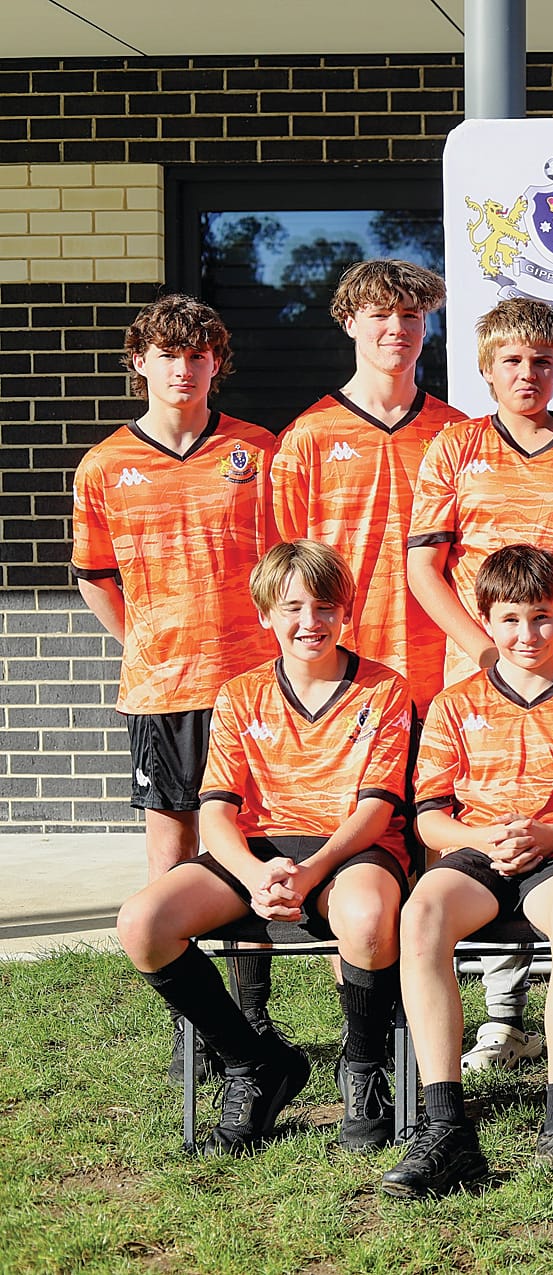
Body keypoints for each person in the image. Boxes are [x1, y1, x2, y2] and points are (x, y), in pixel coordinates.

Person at [115, 540, 412, 1154]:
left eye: (325, 606)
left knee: (367, 916)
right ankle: (253, 1063)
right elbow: (217, 810)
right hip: (261, 848)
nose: (311, 622)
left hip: (350, 848)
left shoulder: (386, 690)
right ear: (265, 615)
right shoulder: (240, 693)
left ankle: (362, 1070)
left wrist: (311, 872)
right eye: (293, 607)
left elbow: (375, 809)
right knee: (143, 923)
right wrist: (253, 875)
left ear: (346, 611)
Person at [406, 297, 553, 1074]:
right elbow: (423, 566)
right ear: (486, 368)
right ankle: (503, 1019)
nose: (527, 373)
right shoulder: (455, 447)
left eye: (541, 359)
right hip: (485, 673)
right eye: (511, 360)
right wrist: (483, 652)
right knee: (495, 820)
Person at [381, 545, 553, 1197]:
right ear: (486, 620)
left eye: (543, 618)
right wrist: (482, 838)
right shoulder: (453, 702)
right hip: (480, 847)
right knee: (422, 912)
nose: (528, 635)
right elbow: (430, 816)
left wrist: (552, 833)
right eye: (512, 619)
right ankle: (445, 1128)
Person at [72, 294, 279, 1081]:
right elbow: (95, 577)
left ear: (216, 364)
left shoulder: (258, 450)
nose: (181, 369)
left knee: (251, 844)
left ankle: (252, 1015)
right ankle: (200, 1026)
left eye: (197, 356)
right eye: (166, 355)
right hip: (163, 691)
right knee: (172, 851)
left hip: (255, 690)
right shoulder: (103, 464)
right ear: (140, 363)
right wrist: (145, 644)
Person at [272, 259, 463, 716]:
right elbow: (285, 564)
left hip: (448, 675)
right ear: (349, 322)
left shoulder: (458, 432)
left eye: (411, 315)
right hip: (348, 677)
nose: (397, 327)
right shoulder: (307, 436)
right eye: (380, 314)